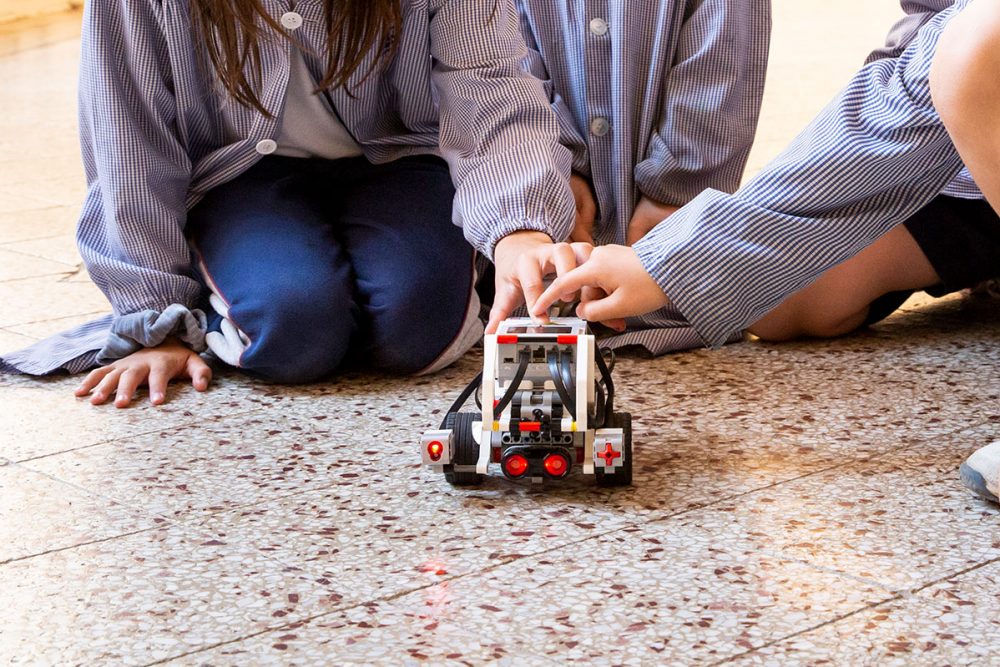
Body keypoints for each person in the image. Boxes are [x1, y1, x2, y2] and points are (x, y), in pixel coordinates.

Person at [529, 0, 1000, 502]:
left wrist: (677, 256)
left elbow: (958, 52)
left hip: (974, 70)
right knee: (779, 305)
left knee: (979, 43)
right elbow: (925, 39)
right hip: (962, 158)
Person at [0, 0, 575, 407]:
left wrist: (518, 226)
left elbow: (489, 84)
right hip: (242, 173)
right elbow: (128, 133)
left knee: (421, 332)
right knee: (293, 331)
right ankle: (237, 274)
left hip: (398, 158)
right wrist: (156, 319)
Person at [483, 0, 770, 354]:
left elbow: (720, 56)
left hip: (670, 227)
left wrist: (674, 188)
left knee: (801, 308)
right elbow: (501, 57)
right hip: (546, 196)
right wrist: (555, 174)